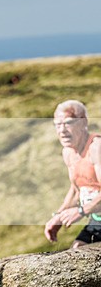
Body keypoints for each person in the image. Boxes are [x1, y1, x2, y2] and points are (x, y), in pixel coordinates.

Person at [44, 100, 101, 248]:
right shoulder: (68, 153)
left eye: (68, 123)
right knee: (77, 250)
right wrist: (58, 216)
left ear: (83, 123)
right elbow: (76, 191)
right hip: (98, 219)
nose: (61, 130)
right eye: (57, 124)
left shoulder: (96, 148)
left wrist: (81, 211)